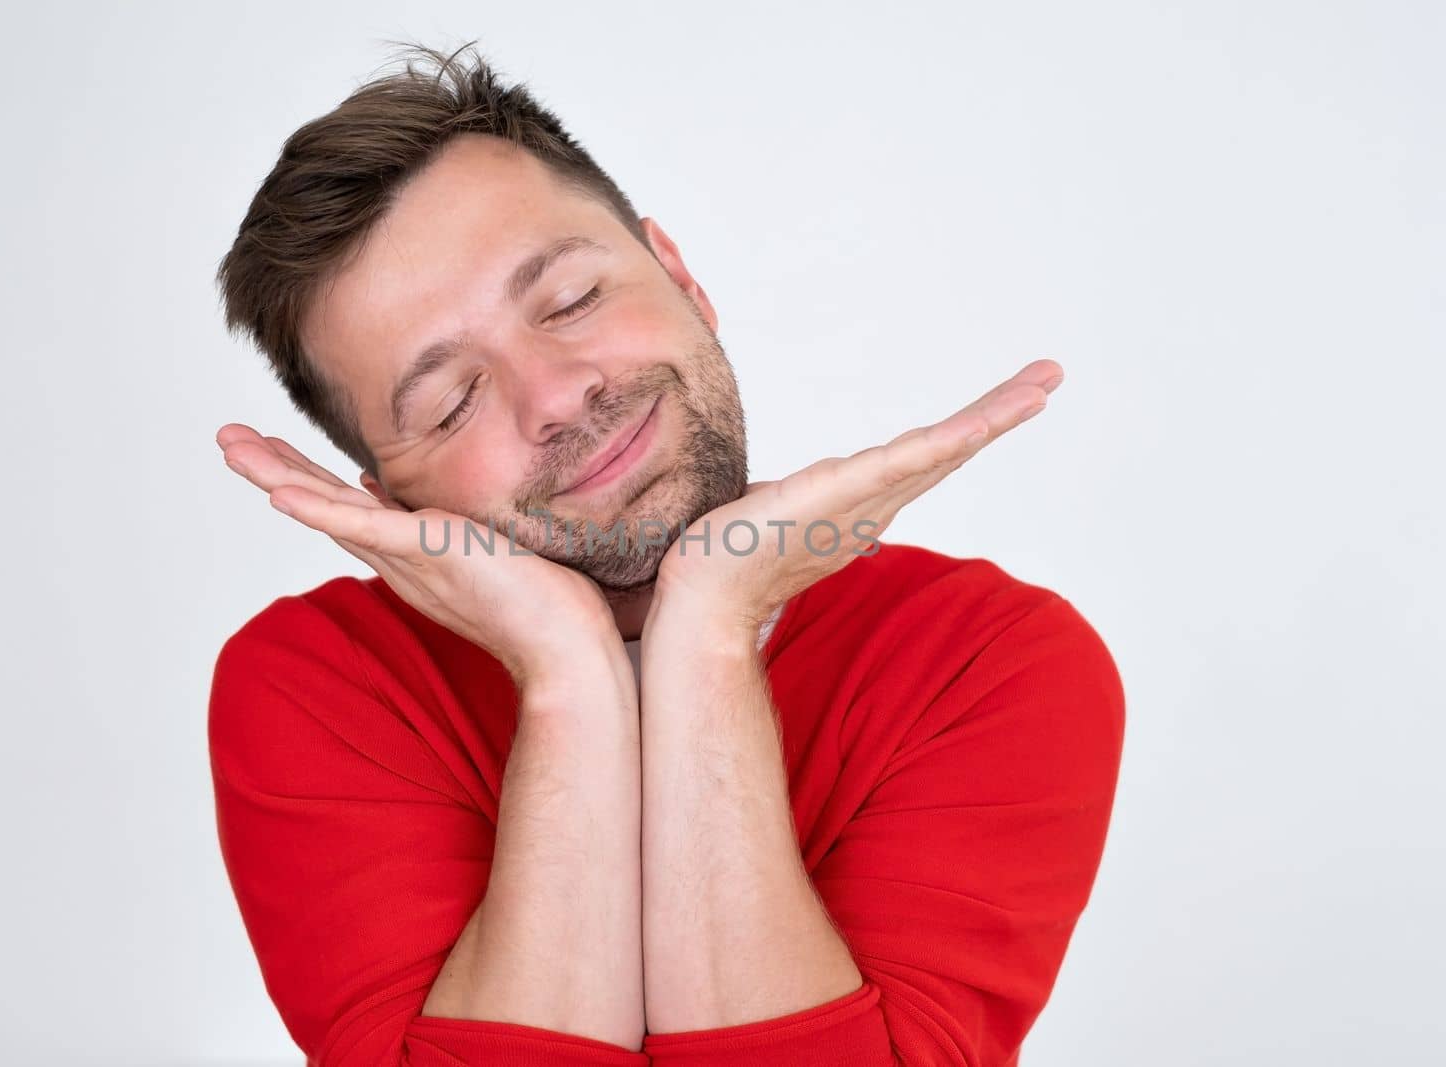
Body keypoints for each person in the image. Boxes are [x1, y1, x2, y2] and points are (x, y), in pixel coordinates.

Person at [208, 41, 1124, 1067]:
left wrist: (707, 631)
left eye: (570, 301)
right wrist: (565, 674)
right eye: (451, 402)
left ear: (680, 276)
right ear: (390, 507)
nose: (556, 398)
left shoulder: (982, 658)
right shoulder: (322, 683)